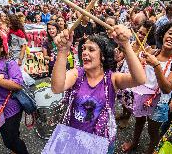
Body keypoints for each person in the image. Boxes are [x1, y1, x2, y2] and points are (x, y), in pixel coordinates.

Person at [52, 24, 146, 153]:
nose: (84, 52)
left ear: (102, 56)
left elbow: (140, 79)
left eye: (91, 50)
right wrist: (62, 51)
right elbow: (57, 88)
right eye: (84, 49)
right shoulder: (76, 74)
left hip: (101, 140)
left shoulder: (112, 79)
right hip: (74, 136)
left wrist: (126, 45)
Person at [121, 20, 172, 154]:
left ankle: (151, 151)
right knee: (138, 122)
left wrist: (156, 65)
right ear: (163, 34)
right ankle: (135, 142)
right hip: (142, 96)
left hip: (159, 102)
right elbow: (139, 73)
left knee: (153, 131)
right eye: (170, 32)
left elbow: (167, 88)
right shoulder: (151, 51)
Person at [8, 14, 35, 86]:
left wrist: (20, 59)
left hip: (19, 55)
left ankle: (30, 83)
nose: (8, 24)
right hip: (13, 56)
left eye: (9, 22)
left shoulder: (19, 32)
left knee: (20, 71)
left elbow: (23, 47)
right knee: (18, 71)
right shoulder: (10, 31)